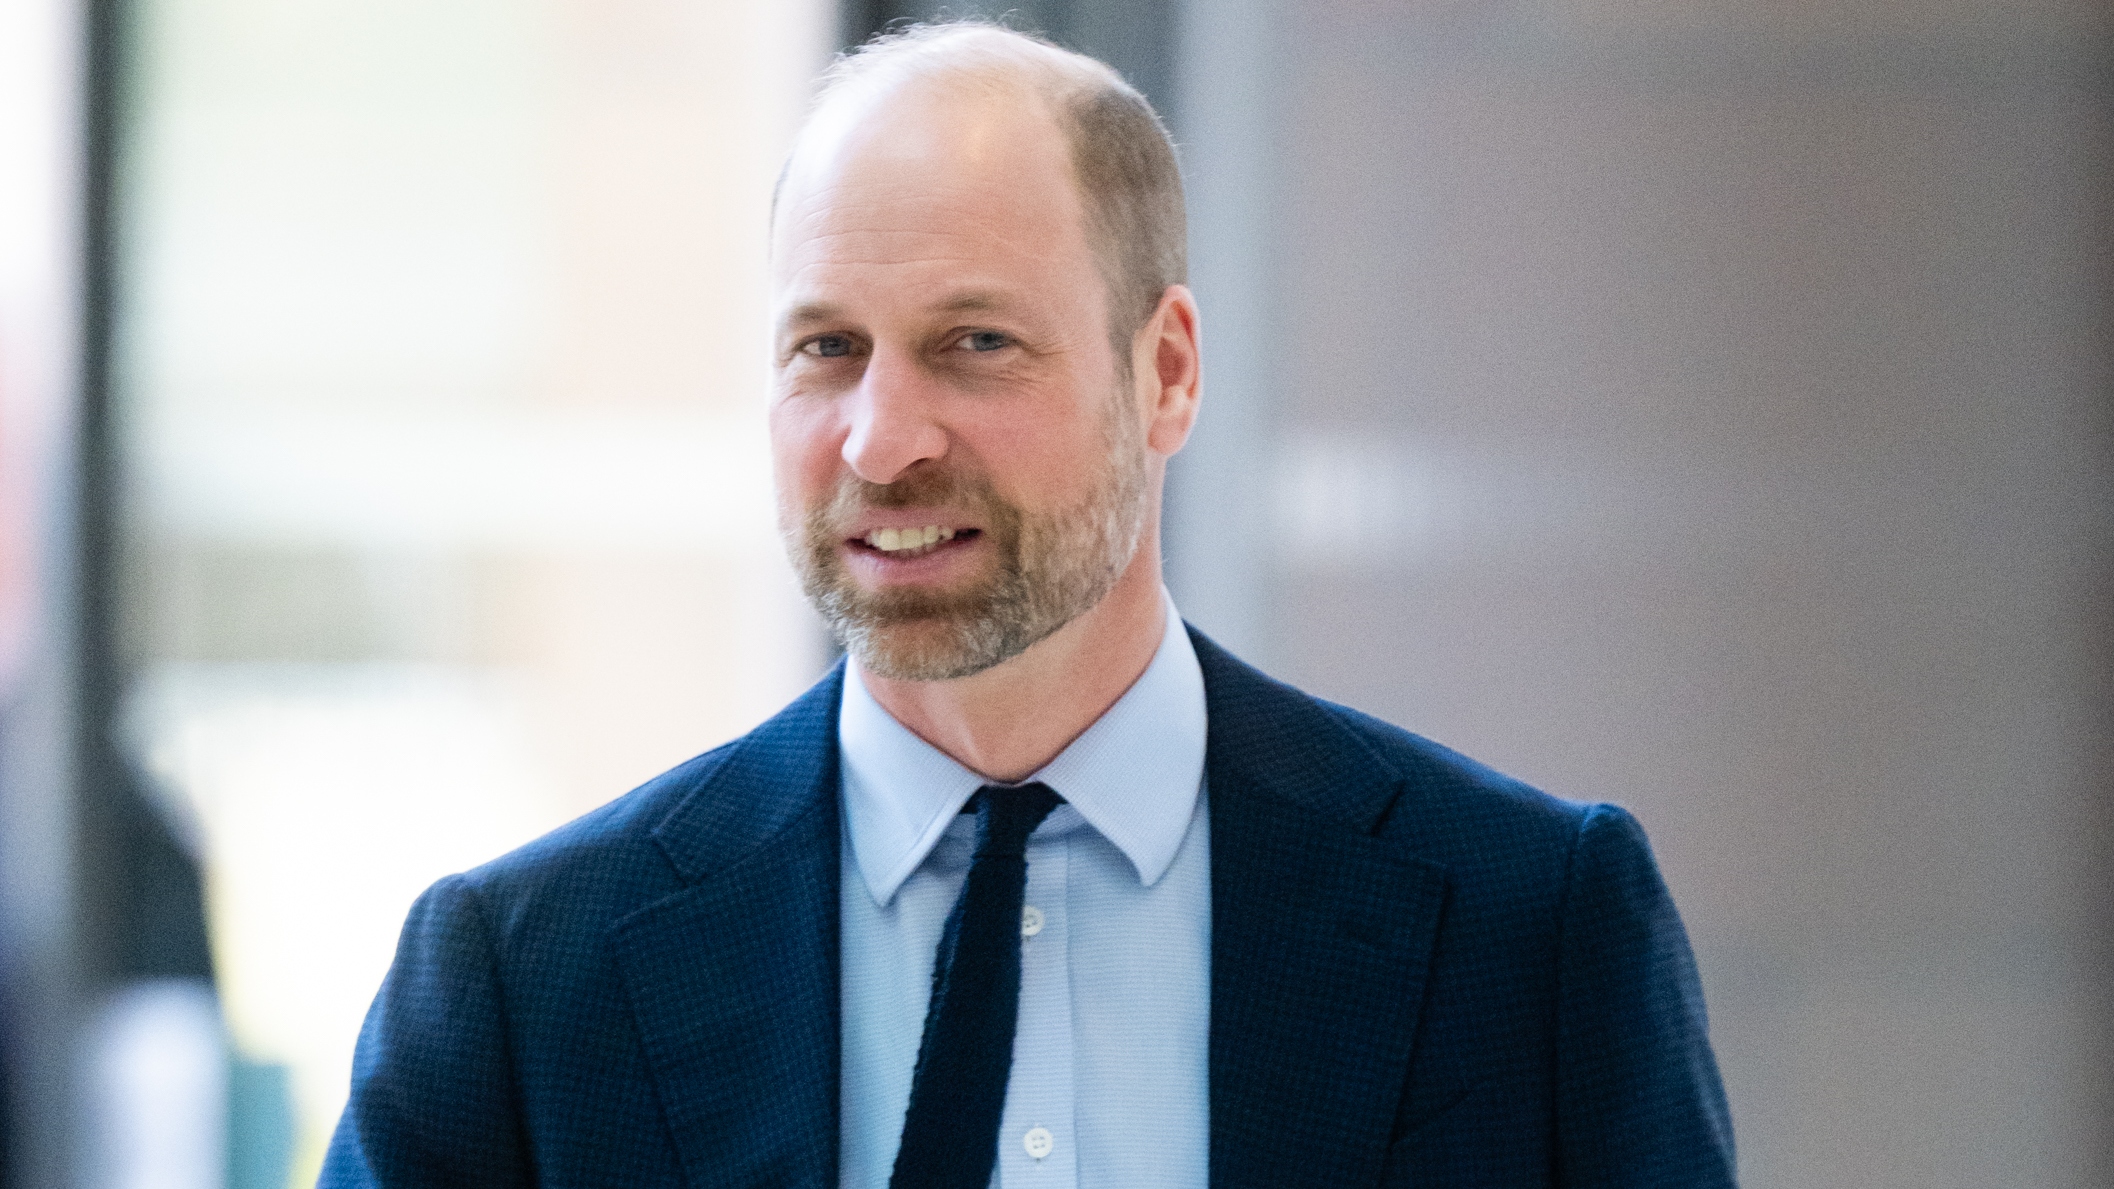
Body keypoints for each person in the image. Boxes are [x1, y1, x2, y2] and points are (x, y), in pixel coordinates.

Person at [320, 22, 1735, 1189]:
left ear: (1165, 371)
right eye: (826, 348)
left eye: (973, 343)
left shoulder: (1528, 930)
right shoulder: (524, 984)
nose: (882, 439)